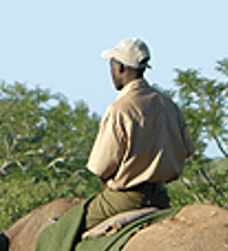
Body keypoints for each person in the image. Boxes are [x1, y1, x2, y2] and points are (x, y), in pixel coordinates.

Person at [83, 37, 195, 231]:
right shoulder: (169, 106)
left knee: (59, 232)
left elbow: (101, 167)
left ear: (121, 68)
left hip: (123, 199)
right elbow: (186, 151)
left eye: (112, 65)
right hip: (160, 198)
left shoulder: (119, 109)